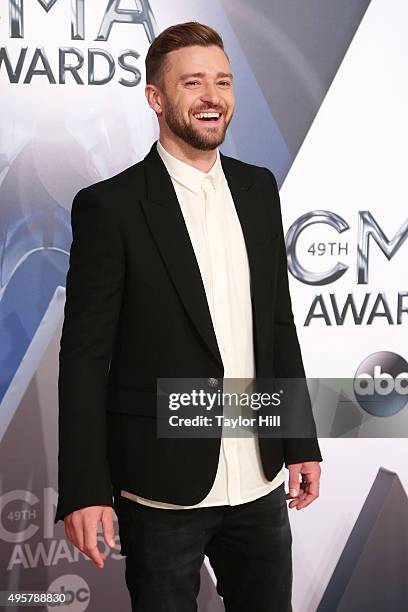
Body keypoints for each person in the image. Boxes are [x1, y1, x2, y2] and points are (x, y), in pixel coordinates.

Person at [55, 21, 322, 612]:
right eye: (193, 82)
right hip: (160, 489)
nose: (212, 97)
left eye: (223, 82)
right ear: (156, 98)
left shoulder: (258, 190)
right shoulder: (111, 206)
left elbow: (276, 324)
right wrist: (83, 488)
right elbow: (83, 357)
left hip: (259, 478)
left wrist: (300, 438)